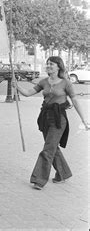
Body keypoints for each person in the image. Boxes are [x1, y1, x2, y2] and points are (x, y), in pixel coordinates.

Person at [14, 56, 88, 190]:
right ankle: (63, 174)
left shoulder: (66, 83)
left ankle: (39, 179)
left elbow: (75, 101)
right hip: (45, 117)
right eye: (47, 63)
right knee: (52, 147)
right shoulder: (44, 82)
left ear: (58, 66)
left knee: (48, 149)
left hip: (59, 119)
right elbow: (28, 93)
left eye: (51, 64)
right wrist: (17, 87)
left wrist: (84, 119)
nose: (48, 65)